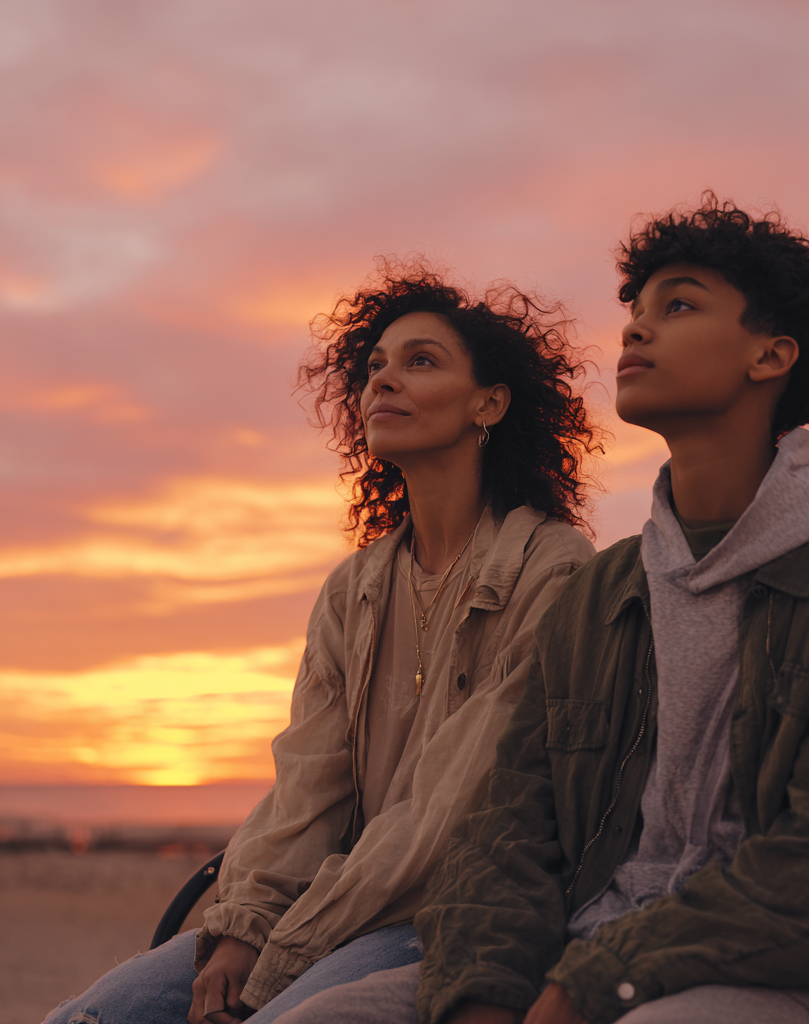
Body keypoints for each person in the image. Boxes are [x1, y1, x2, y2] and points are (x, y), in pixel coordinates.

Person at [274, 196, 809, 1024]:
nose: (635, 331)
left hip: (805, 976)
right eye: (635, 312)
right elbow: (506, 836)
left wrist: (602, 980)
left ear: (771, 354)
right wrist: (484, 998)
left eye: (677, 306)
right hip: (589, 953)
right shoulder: (607, 593)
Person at [45, 265, 598, 1024]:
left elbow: (456, 806)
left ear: (490, 404)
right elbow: (306, 783)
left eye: (420, 362)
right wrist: (244, 922)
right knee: (90, 1016)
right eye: (375, 367)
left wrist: (292, 943)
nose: (385, 382)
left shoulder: (554, 569)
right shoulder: (355, 587)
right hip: (327, 905)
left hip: (453, 907)